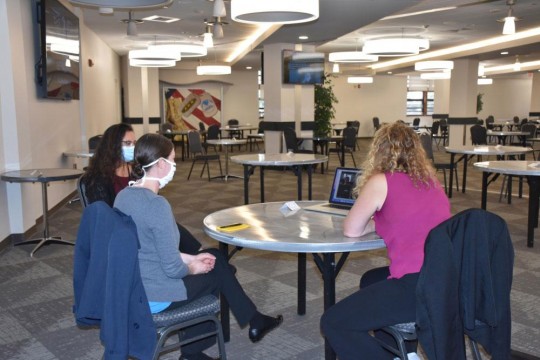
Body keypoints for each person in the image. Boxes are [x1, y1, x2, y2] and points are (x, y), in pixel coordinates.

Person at [114, 133, 283, 360]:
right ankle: (194, 351)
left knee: (212, 257)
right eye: (173, 160)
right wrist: (194, 267)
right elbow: (173, 269)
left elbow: (149, 249)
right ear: (162, 165)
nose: (175, 166)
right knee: (218, 269)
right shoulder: (157, 206)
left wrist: (192, 258)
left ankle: (253, 320)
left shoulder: (124, 196)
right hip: (156, 295)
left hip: (134, 286)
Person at [320, 122, 452, 359]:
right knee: (371, 279)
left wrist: (375, 222)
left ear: (379, 151)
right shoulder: (431, 181)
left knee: (333, 322)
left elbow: (351, 229)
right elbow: (410, 219)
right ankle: (401, 353)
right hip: (448, 281)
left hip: (417, 286)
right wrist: (384, 222)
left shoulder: (382, 180)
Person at [83, 123, 136, 207]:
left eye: (134, 143)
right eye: (128, 143)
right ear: (113, 145)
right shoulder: (97, 177)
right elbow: (104, 213)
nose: (133, 147)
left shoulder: (136, 169)